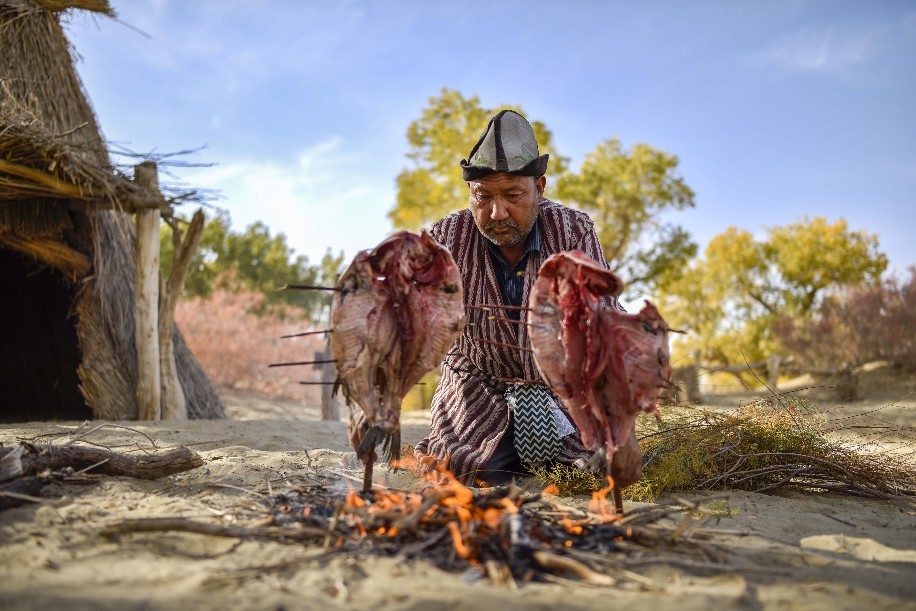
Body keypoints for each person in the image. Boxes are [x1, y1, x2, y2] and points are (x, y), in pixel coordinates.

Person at [415, 110, 635, 485]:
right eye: (483, 196)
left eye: (513, 195)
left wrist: (621, 424)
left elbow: (603, 319)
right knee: (472, 468)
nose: (497, 211)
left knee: (587, 465)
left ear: (540, 187)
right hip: (476, 382)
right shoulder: (447, 237)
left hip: (559, 387)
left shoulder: (572, 231)